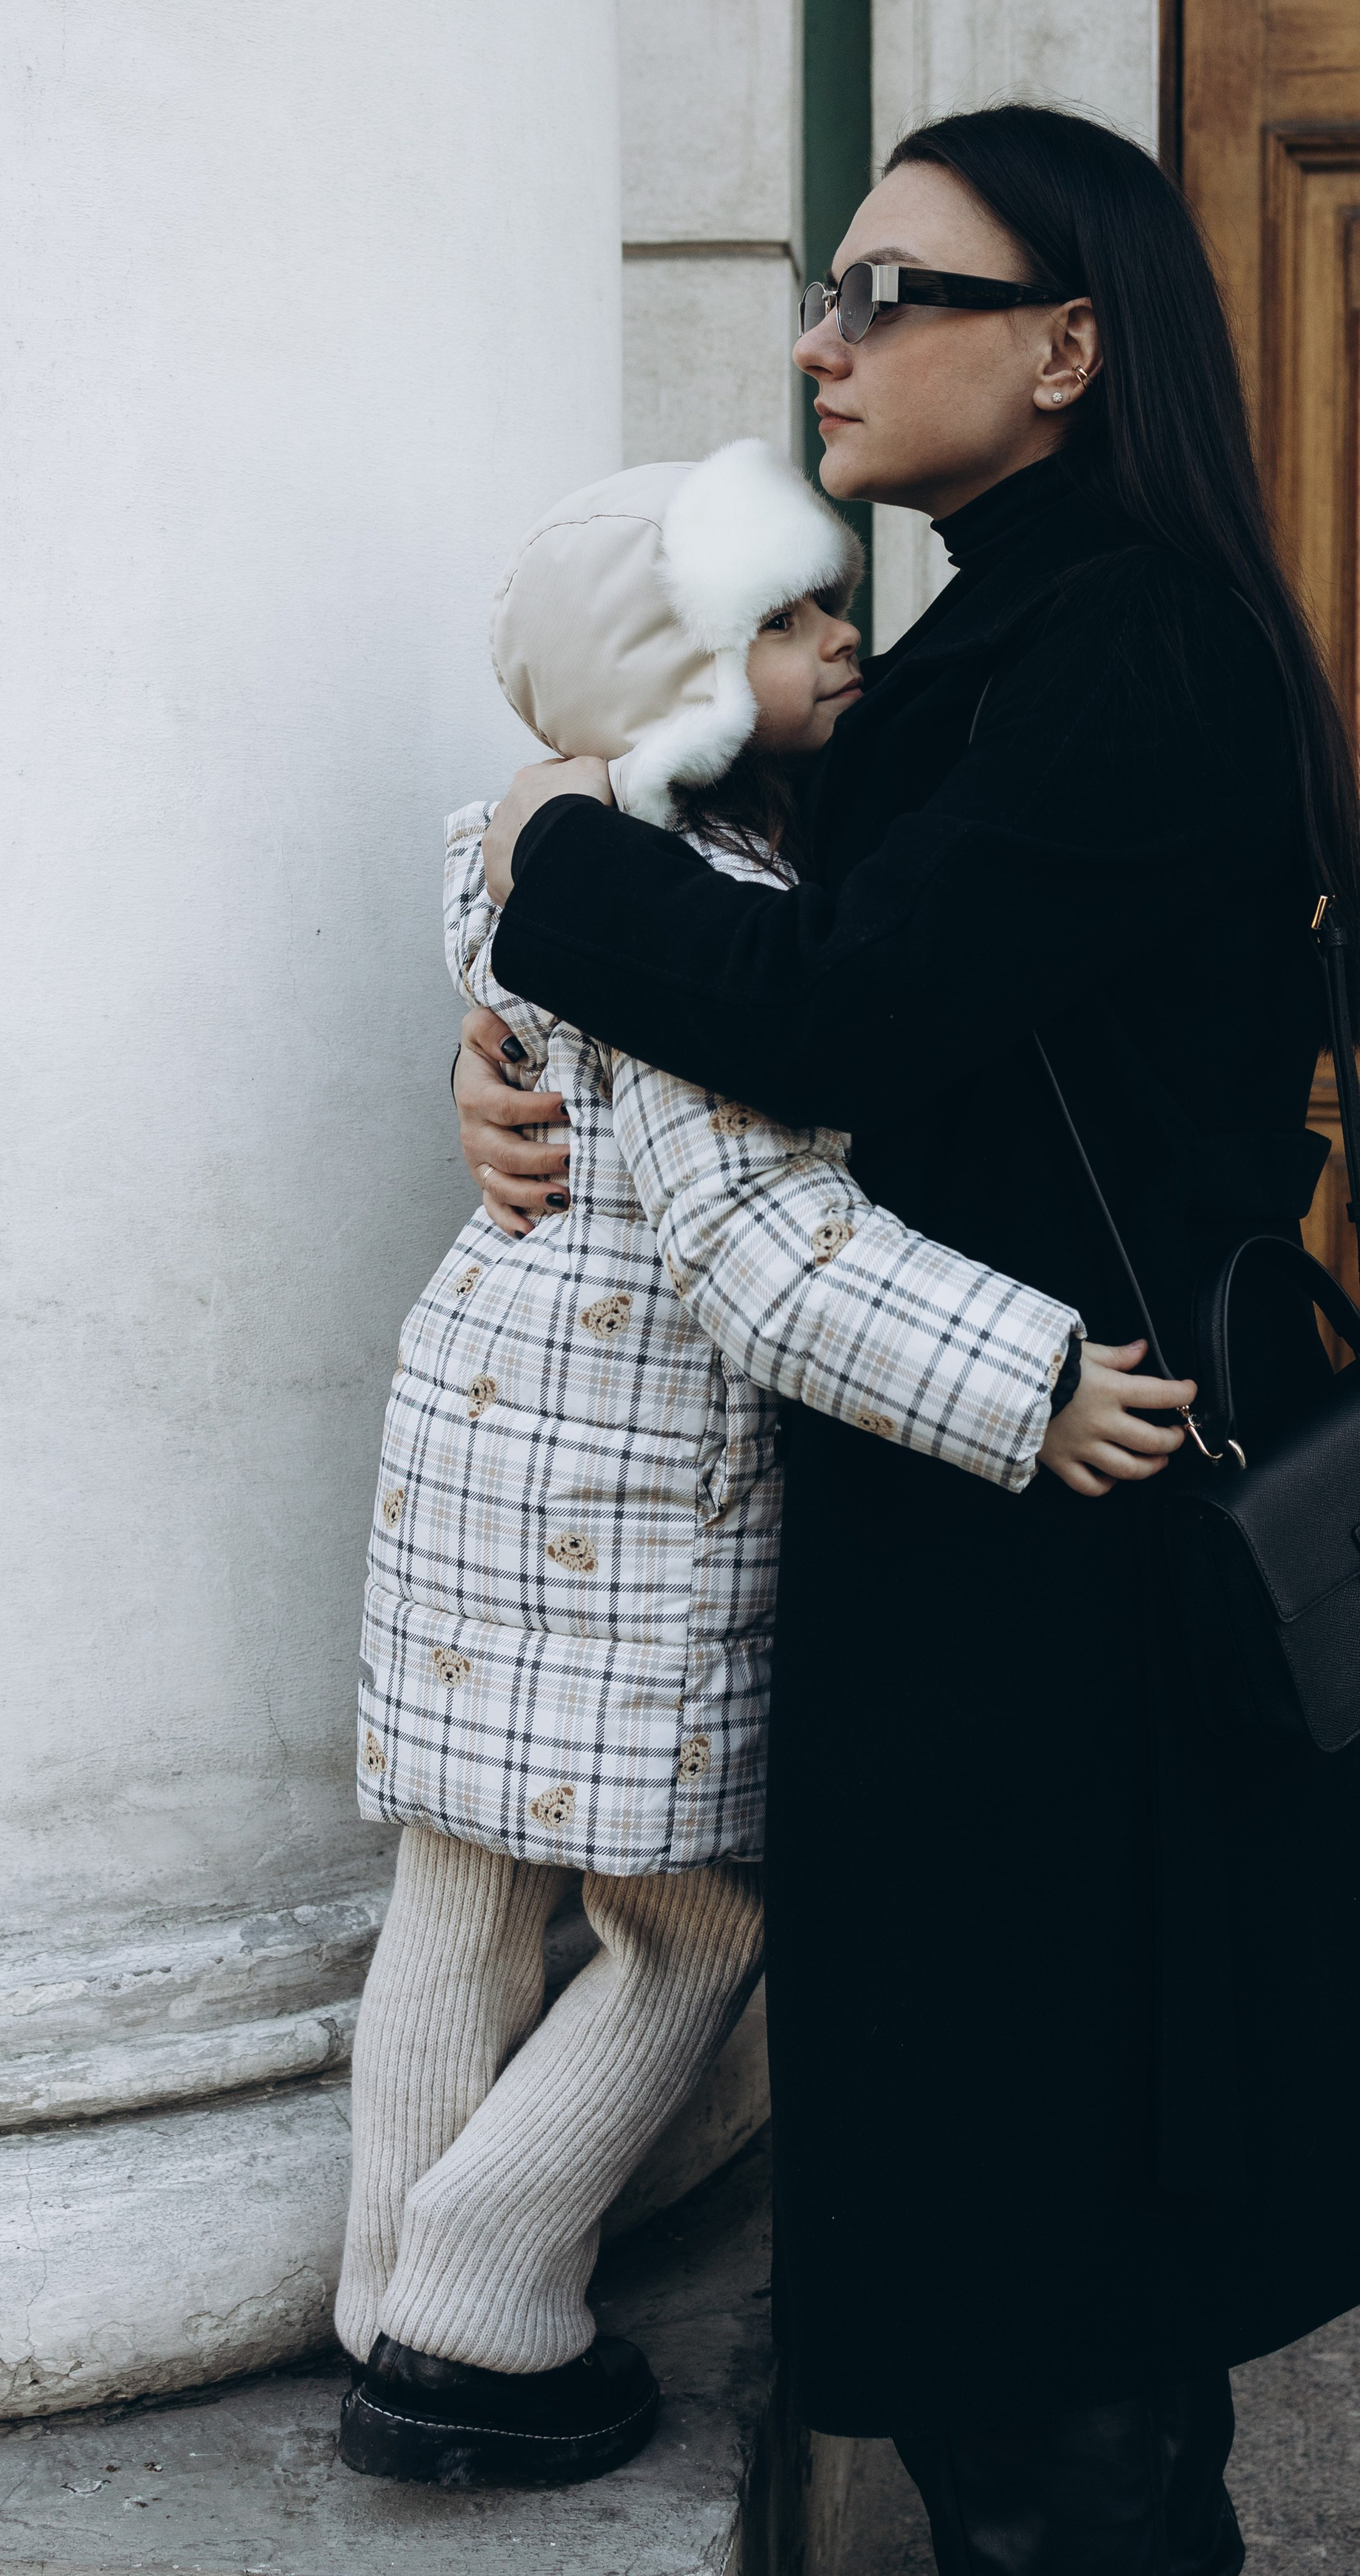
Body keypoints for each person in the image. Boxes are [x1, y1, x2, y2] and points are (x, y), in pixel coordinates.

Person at [457, 106, 1360, 2573]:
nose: (823, 341)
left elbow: (843, 1010)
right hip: (995, 1526)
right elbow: (807, 968)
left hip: (1071, 1566)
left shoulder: (1129, 645)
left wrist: (539, 851)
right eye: (832, 285)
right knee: (1047, 2247)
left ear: (1070, 346)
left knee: (1055, 2289)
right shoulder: (1023, 623)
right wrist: (509, 1055)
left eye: (893, 293)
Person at [336, 437, 1195, 2492]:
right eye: (793, 620)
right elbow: (765, 1253)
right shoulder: (693, 914)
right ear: (683, 680)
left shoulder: (528, 855)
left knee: (463, 1881)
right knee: (692, 1928)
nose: (848, 641)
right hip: (627, 1486)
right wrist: (1034, 1381)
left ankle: (378, 2294)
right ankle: (475, 2314)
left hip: (486, 1430)